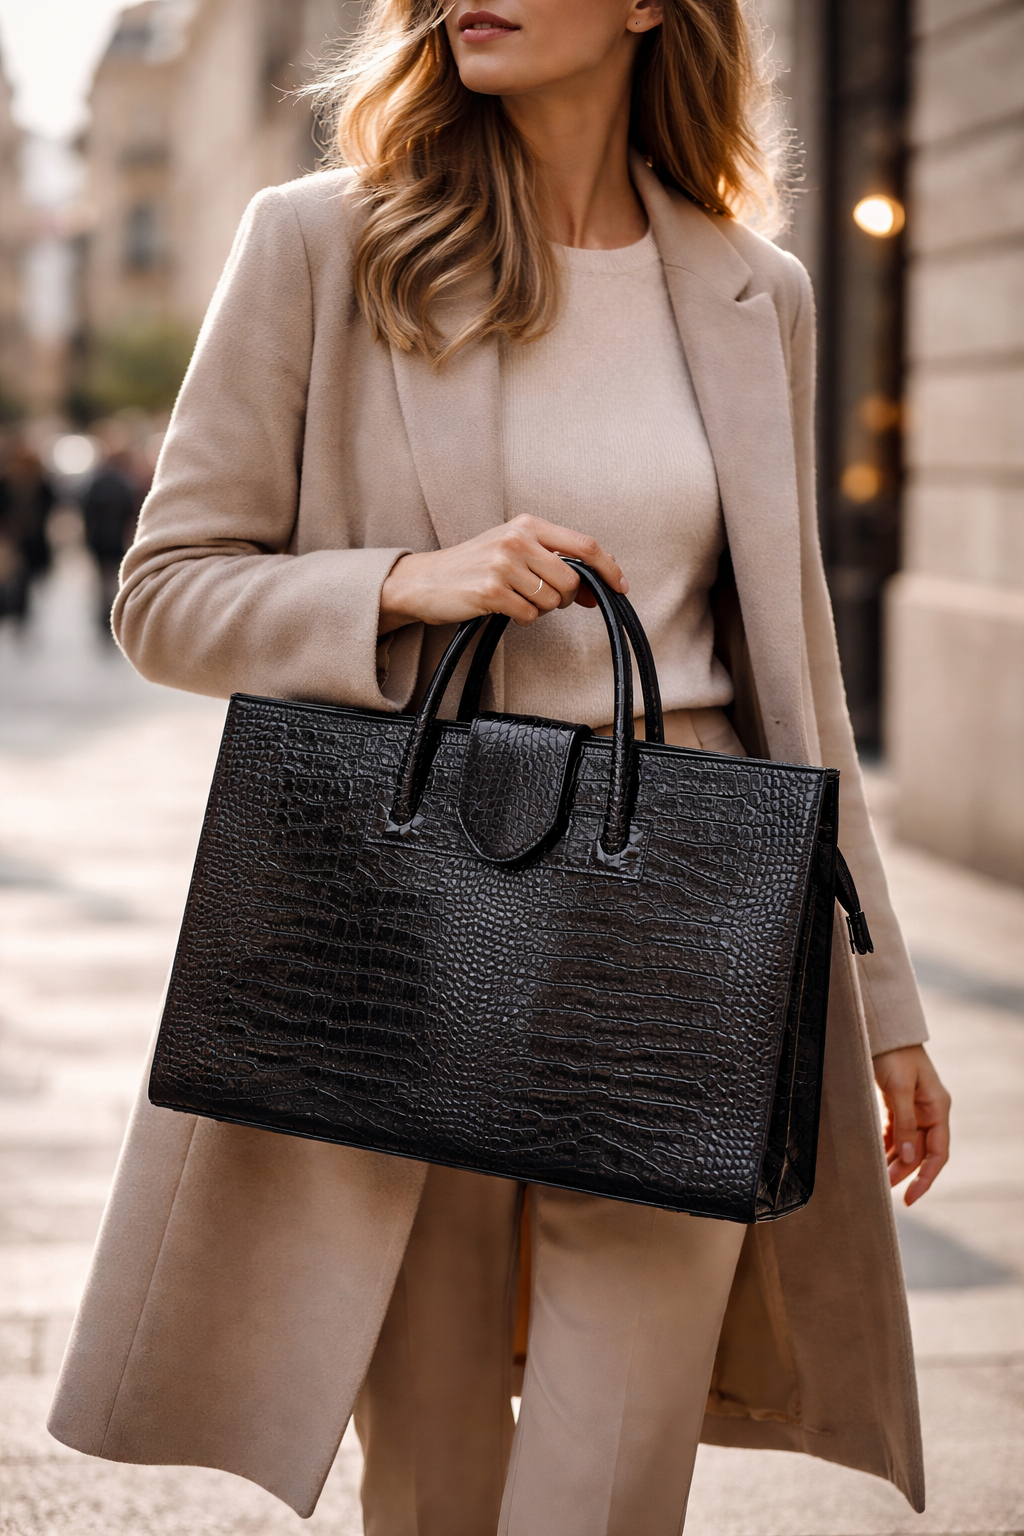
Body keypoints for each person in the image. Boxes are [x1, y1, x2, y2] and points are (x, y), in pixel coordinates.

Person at [48, 2, 952, 1531]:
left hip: (686, 935)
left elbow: (801, 679)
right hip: (412, 926)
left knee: (609, 1475)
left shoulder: (754, 293)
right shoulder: (325, 244)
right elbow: (163, 592)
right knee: (436, 1470)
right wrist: (403, 582)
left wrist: (890, 1011)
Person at [80, 450, 141, 638]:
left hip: (100, 537)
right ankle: (111, 613)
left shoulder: (97, 482)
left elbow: (86, 509)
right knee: (114, 578)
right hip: (114, 538)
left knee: (103, 579)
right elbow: (131, 511)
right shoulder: (124, 483)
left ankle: (105, 615)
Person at [0, 438, 54, 629]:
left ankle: (19, 611)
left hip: (29, 536)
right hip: (18, 536)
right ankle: (16, 610)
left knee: (24, 576)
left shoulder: (38, 480)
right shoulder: (9, 480)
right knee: (18, 576)